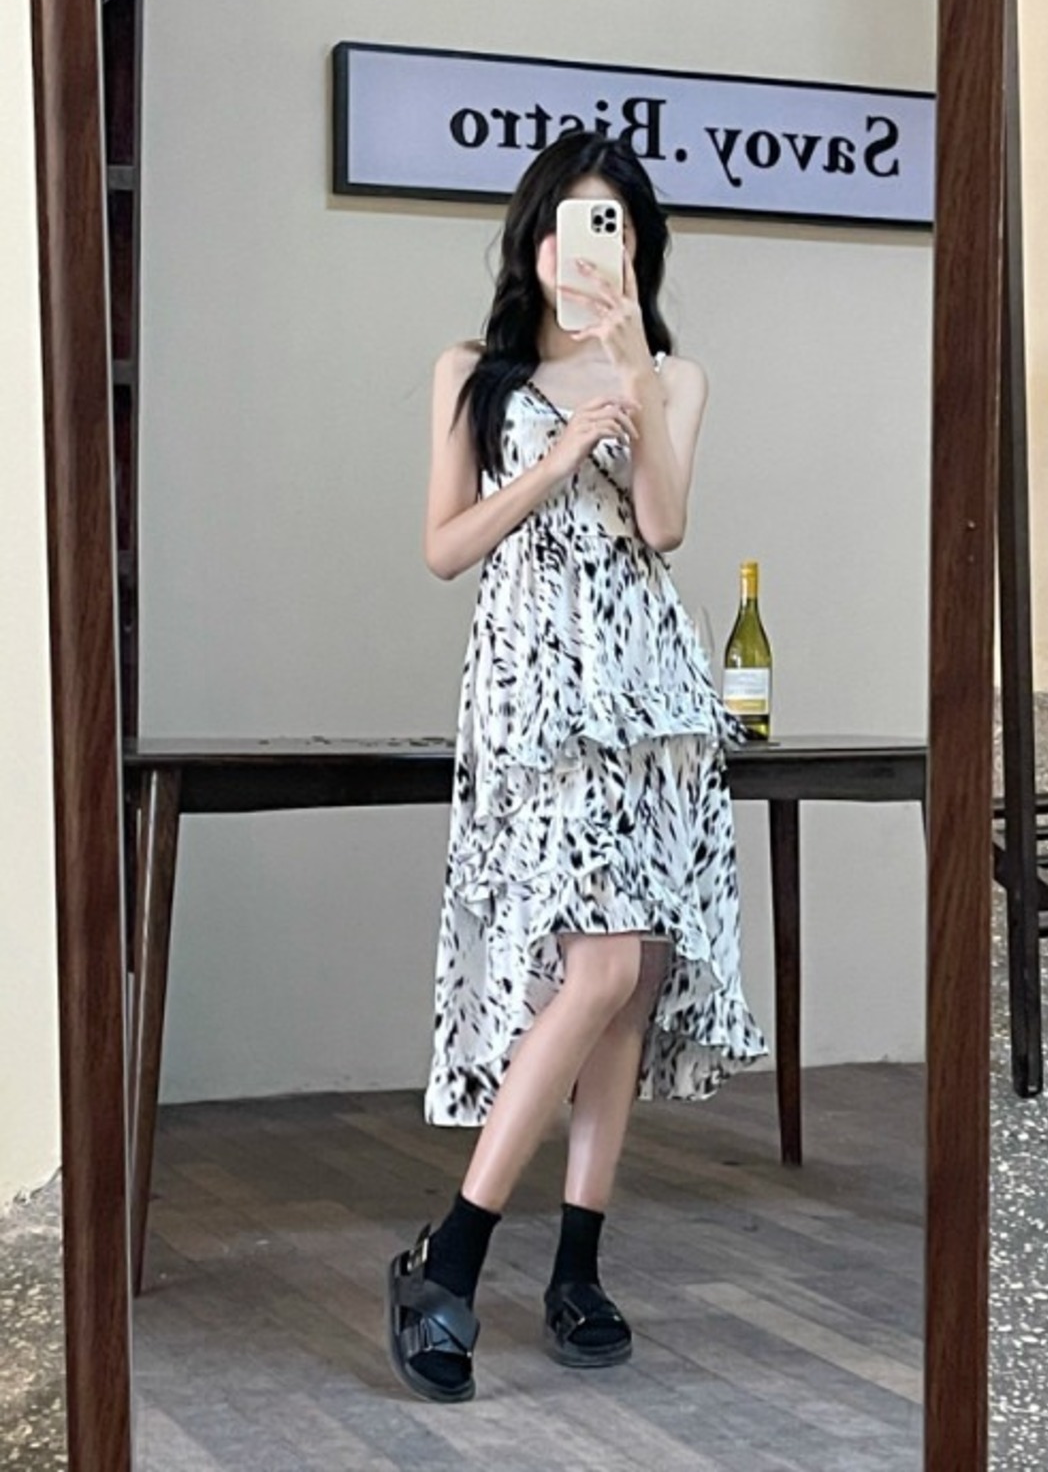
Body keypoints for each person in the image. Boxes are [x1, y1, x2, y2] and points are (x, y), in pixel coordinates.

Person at [386, 132, 767, 1403]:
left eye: (610, 227)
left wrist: (633, 374)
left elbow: (662, 524)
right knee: (595, 965)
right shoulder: (471, 373)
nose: (581, 250)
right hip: (534, 698)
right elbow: (445, 549)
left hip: (652, 699)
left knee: (630, 976)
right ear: (531, 238)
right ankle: (450, 1256)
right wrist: (553, 460)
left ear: (638, 248)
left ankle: (577, 1270)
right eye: (563, 224)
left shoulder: (673, 376)